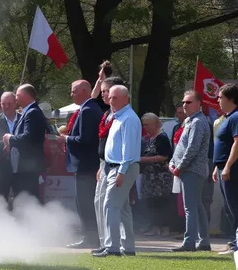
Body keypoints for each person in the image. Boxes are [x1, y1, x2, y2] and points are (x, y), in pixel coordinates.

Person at [94, 85, 141, 258]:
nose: (110, 101)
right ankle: (127, 246)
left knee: (110, 205)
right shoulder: (119, 117)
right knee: (122, 208)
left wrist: (121, 172)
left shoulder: (128, 118)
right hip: (113, 166)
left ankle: (112, 246)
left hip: (122, 167)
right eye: (110, 97)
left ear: (125, 98)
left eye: (114, 98)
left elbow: (127, 149)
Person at [60, 80, 103, 249]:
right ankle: (91, 236)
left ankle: (90, 238)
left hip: (86, 165)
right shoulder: (90, 108)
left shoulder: (87, 110)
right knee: (85, 202)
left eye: (74, 91)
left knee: (85, 203)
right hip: (88, 164)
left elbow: (85, 139)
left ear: (85, 91)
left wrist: (66, 138)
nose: (71, 95)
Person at [169, 91, 212, 252]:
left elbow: (192, 148)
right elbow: (181, 146)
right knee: (197, 206)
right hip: (188, 169)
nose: (184, 105)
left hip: (192, 170)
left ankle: (189, 243)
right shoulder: (190, 121)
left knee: (190, 208)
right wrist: (173, 162)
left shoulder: (198, 122)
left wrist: (179, 166)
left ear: (199, 104)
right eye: (183, 102)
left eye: (188, 102)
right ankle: (203, 241)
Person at [5, 84, 46, 203]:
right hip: (24, 166)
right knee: (24, 200)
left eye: (17, 95)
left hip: (28, 167)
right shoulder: (27, 112)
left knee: (29, 200)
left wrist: (10, 138)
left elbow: (28, 138)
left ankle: (34, 221)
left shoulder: (32, 112)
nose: (15, 99)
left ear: (26, 96)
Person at [139, 113, 174, 237]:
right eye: (144, 125)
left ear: (155, 124)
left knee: (162, 203)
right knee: (152, 203)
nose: (146, 128)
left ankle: (165, 228)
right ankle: (154, 227)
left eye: (147, 125)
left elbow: (163, 157)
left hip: (160, 178)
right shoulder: (150, 139)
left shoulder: (162, 137)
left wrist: (141, 159)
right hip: (150, 177)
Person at [213, 83, 238, 256]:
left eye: (221, 97)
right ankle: (233, 241)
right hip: (222, 167)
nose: (218, 100)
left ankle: (236, 242)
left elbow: (237, 142)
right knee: (229, 208)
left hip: (232, 169)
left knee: (234, 206)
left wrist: (227, 166)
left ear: (230, 98)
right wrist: (218, 167)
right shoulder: (228, 117)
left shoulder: (236, 117)